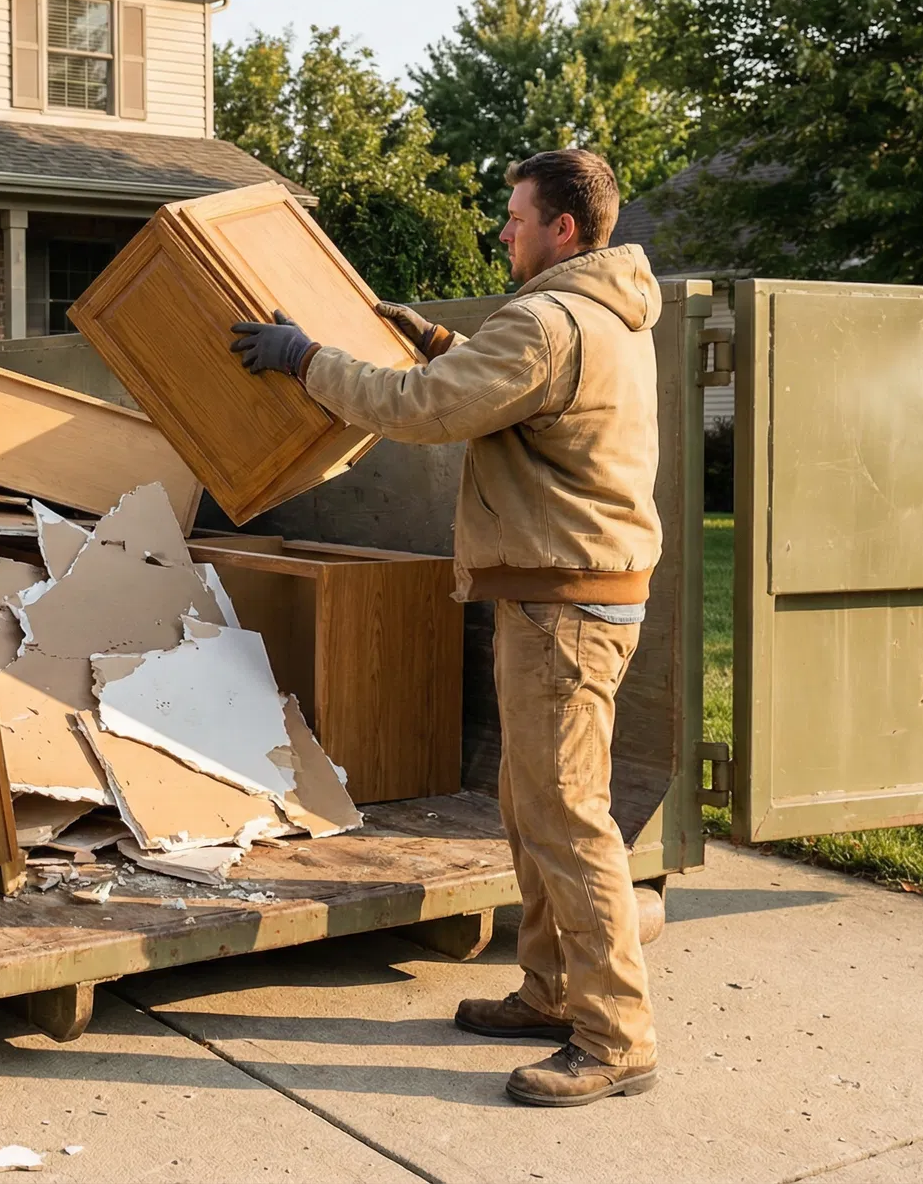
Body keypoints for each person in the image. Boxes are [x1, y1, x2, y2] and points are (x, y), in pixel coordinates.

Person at [229, 148, 661, 1107]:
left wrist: (305, 358)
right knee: (532, 805)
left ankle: (616, 1032)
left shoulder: (549, 321)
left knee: (568, 818)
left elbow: (419, 413)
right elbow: (501, 393)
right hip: (569, 594)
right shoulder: (599, 314)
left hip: (565, 607)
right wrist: (430, 335)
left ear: (564, 230)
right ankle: (552, 993)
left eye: (516, 217)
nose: (502, 231)